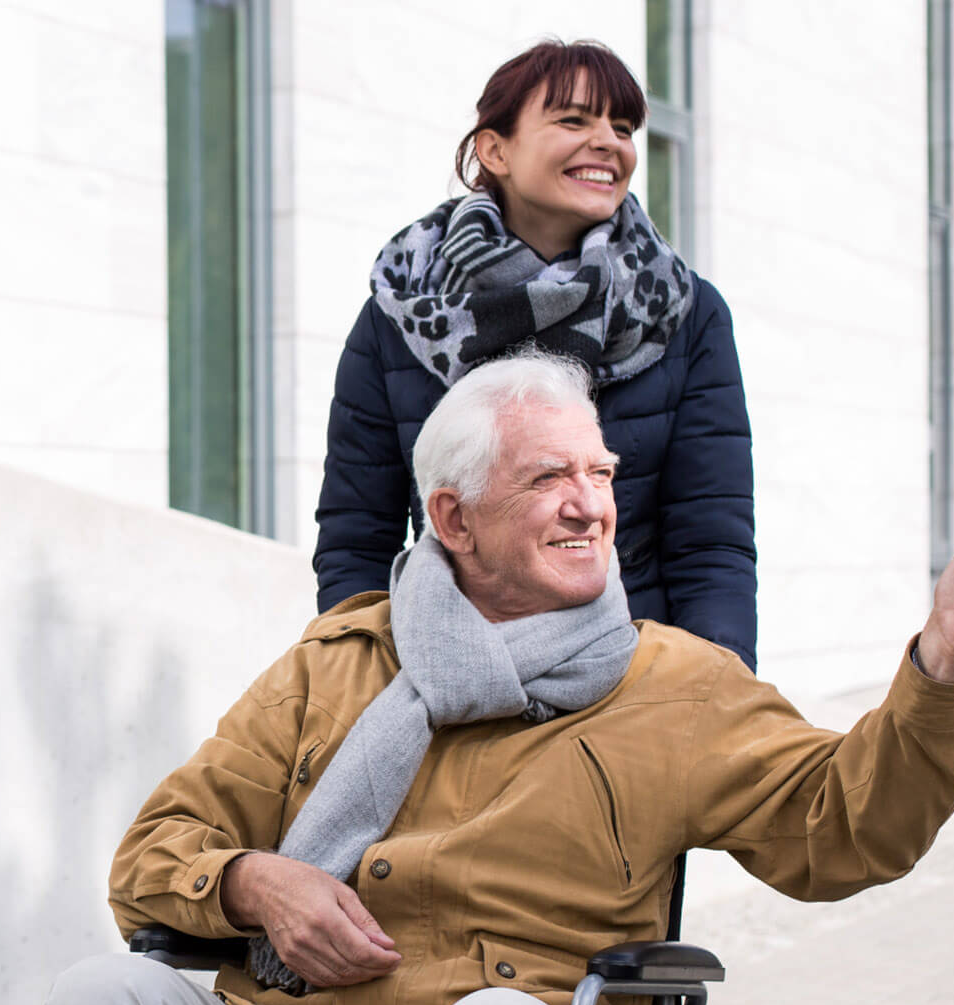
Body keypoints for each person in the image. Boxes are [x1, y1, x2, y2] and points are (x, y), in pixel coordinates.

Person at [15, 350, 954, 1005]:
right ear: (454, 518)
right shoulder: (340, 661)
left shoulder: (674, 685)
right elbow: (154, 853)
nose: (591, 502)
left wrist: (945, 659)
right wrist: (255, 881)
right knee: (104, 1000)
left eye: (599, 472)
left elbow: (845, 824)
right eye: (548, 478)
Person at [314, 38, 757, 669]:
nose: (610, 141)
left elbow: (710, 541)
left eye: (623, 126)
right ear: (495, 149)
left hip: (630, 679)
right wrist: (352, 676)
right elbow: (357, 532)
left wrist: (715, 691)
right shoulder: (406, 309)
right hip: (451, 675)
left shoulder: (683, 311)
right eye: (574, 120)